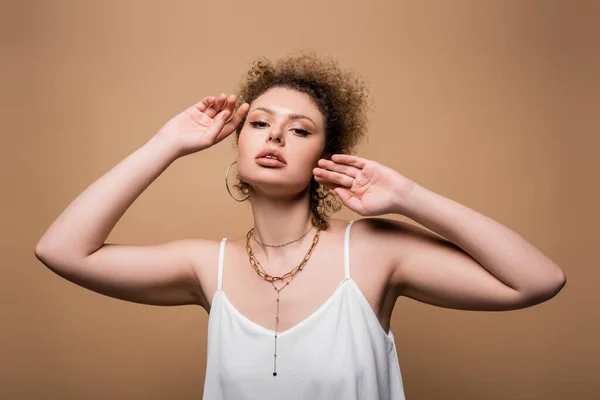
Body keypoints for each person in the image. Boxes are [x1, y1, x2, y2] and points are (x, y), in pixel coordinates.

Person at [34, 53, 566, 400]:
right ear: (236, 140)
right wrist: (166, 144)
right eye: (260, 123)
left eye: (300, 129)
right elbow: (61, 250)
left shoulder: (373, 253)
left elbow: (537, 280)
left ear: (325, 155)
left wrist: (409, 198)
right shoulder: (206, 266)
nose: (274, 138)